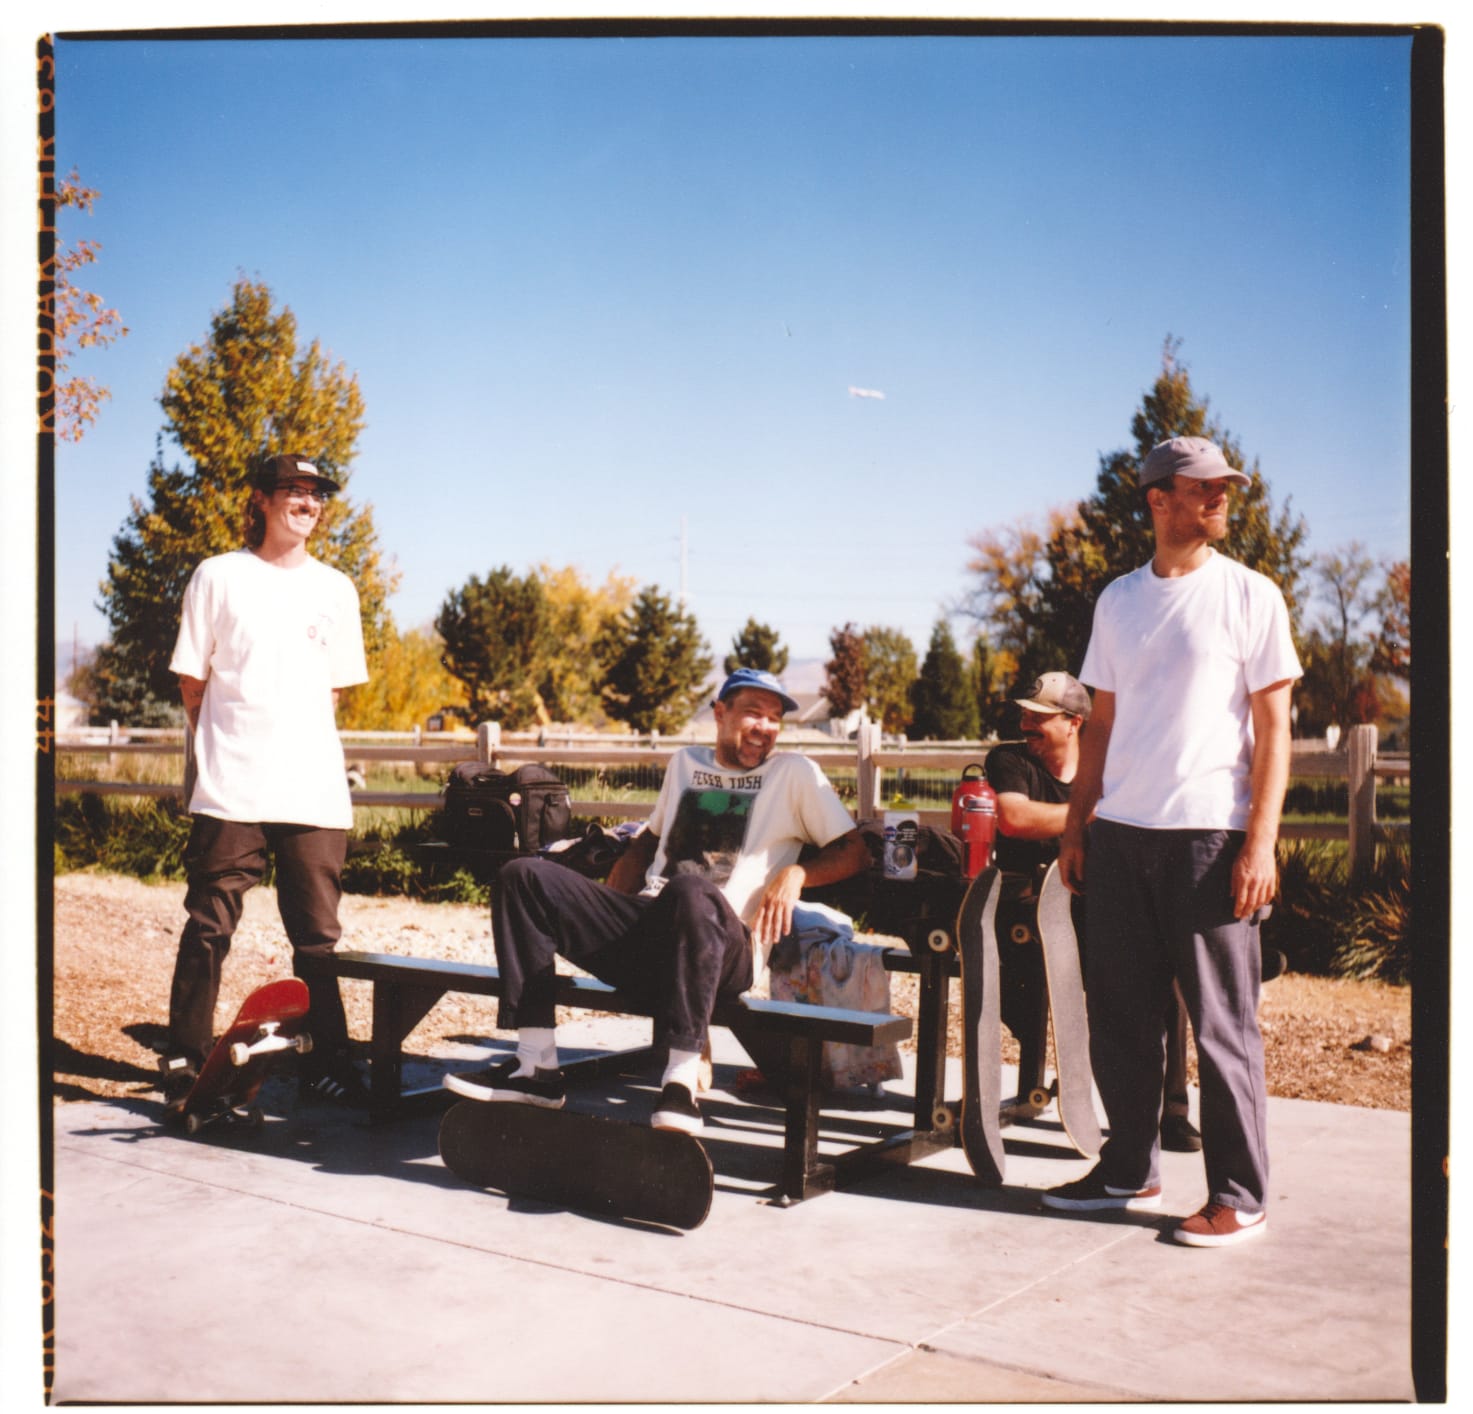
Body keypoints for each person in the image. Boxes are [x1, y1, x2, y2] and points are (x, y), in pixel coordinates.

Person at [1043, 435, 1300, 1247]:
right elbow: (1104, 724)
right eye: (1205, 487)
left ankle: (1239, 1194)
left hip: (1208, 839)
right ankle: (1129, 1170)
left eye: (1227, 486)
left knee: (1222, 1025)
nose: (1222, 498)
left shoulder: (1251, 595)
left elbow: (1274, 729)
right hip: (1120, 837)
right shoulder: (1117, 601)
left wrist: (1258, 844)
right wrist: (1079, 827)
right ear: (1159, 499)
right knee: (1122, 1018)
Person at [443, 667, 870, 1135]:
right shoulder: (685, 764)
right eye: (753, 713)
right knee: (521, 875)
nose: (765, 728)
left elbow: (855, 851)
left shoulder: (794, 774)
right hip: (650, 933)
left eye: (774, 719)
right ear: (721, 714)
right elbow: (645, 844)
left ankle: (680, 1084)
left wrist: (797, 872)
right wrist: (603, 912)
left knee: (692, 890)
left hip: (728, 948)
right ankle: (535, 1066)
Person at [159, 453, 371, 1107]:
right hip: (233, 787)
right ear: (261, 500)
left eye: (317, 495)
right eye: (294, 491)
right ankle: (184, 1058)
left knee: (317, 940)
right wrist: (223, 750)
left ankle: (327, 1063)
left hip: (312, 792)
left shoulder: (336, 589)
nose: (308, 504)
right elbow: (193, 683)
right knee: (208, 925)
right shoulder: (218, 577)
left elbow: (332, 693)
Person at [988, 671, 1201, 1153]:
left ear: (1073, 723)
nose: (1026, 724)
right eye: (1024, 714)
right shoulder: (1009, 760)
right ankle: (1062, 1070)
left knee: (1165, 976)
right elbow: (1015, 818)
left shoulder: (1111, 767)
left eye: (1038, 717)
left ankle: (1172, 1112)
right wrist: (1093, 812)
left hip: (1097, 893)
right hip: (1028, 897)